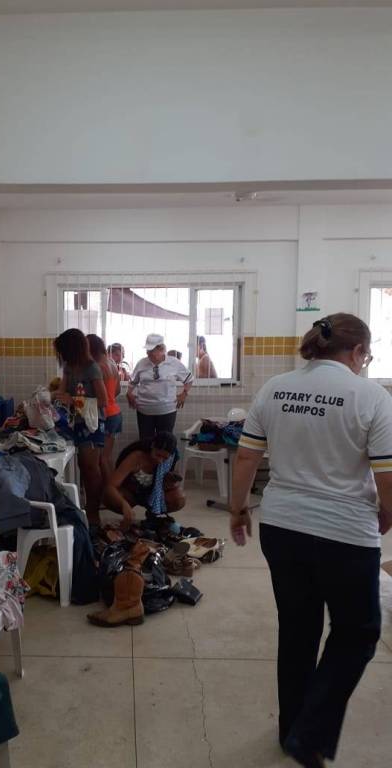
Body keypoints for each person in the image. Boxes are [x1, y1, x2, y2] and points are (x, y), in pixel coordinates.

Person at [229, 313, 392, 768]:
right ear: (357, 352)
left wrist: (238, 509)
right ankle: (311, 732)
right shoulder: (371, 397)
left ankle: (292, 731)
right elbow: (387, 476)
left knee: (298, 629)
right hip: (346, 535)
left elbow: (245, 458)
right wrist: (388, 513)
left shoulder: (275, 388)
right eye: (366, 356)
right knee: (358, 632)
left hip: (282, 527)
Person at [53, 329, 108, 526]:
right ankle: (86, 508)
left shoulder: (92, 368)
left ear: (72, 349)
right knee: (83, 467)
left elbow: (103, 401)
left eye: (63, 351)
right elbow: (62, 392)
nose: (61, 356)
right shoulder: (69, 367)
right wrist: (48, 397)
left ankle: (94, 513)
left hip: (92, 424)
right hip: (76, 421)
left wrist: (73, 400)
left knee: (91, 468)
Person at [103, 432, 184, 529]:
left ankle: (152, 515)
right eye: (158, 455)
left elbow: (167, 484)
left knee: (178, 499)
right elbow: (110, 486)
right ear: (152, 446)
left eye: (164, 458)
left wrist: (169, 480)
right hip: (131, 494)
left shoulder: (170, 460)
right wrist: (124, 505)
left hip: (150, 495)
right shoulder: (136, 457)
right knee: (109, 497)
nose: (160, 461)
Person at [127, 333, 193, 440]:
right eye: (147, 350)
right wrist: (129, 393)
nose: (148, 353)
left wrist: (184, 394)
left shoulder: (174, 363)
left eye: (152, 350)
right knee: (145, 442)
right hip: (144, 411)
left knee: (164, 443)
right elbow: (132, 382)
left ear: (161, 349)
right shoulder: (141, 363)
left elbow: (189, 379)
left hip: (167, 411)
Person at [87, 334, 122, 484]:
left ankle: (109, 491)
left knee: (102, 458)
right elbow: (118, 390)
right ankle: (113, 489)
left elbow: (95, 396)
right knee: (106, 457)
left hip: (105, 415)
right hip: (115, 413)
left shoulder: (97, 367)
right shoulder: (112, 364)